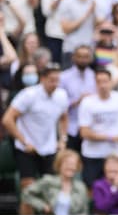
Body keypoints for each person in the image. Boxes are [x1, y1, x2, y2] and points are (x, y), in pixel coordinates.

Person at [2, 64, 69, 192]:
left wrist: (62, 140)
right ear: (42, 79)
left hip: (49, 148)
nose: (55, 84)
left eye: (57, 80)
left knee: (50, 188)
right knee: (28, 188)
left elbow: (64, 117)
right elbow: (7, 119)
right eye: (51, 80)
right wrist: (24, 141)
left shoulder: (62, 95)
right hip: (27, 148)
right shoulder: (28, 95)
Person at [78, 69, 118, 188]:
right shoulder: (87, 102)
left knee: (114, 186)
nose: (102, 85)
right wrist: (111, 137)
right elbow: (84, 132)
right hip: (92, 154)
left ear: (111, 82)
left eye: (105, 81)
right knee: (91, 187)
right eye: (99, 82)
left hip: (114, 154)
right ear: (95, 84)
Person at [19, 149, 88, 215]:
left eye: (73, 164)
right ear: (59, 164)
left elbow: (84, 212)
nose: (70, 166)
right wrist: (42, 206)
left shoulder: (81, 187)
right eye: (67, 163)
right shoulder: (48, 181)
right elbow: (26, 193)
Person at [60, 46, 96, 152]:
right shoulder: (64, 77)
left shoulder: (94, 76)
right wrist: (77, 101)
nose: (83, 60)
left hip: (89, 128)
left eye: (86, 57)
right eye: (80, 56)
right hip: (70, 127)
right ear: (73, 58)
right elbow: (59, 103)